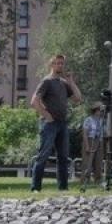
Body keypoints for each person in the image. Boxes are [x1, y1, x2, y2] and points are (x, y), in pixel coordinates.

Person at [28, 53, 82, 191]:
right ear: (51, 65)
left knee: (63, 157)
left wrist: (71, 82)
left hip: (62, 123)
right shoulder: (46, 81)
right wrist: (47, 116)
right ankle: (35, 188)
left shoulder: (64, 83)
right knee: (43, 155)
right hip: (49, 124)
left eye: (62, 63)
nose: (60, 65)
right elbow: (34, 101)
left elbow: (78, 98)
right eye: (57, 63)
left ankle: (63, 188)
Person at [80, 103, 107, 185]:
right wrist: (87, 146)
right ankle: (85, 180)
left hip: (99, 141)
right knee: (88, 161)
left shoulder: (102, 120)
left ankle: (98, 179)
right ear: (96, 110)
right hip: (90, 139)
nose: (102, 112)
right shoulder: (88, 119)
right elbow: (85, 133)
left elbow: (105, 132)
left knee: (98, 161)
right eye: (100, 110)